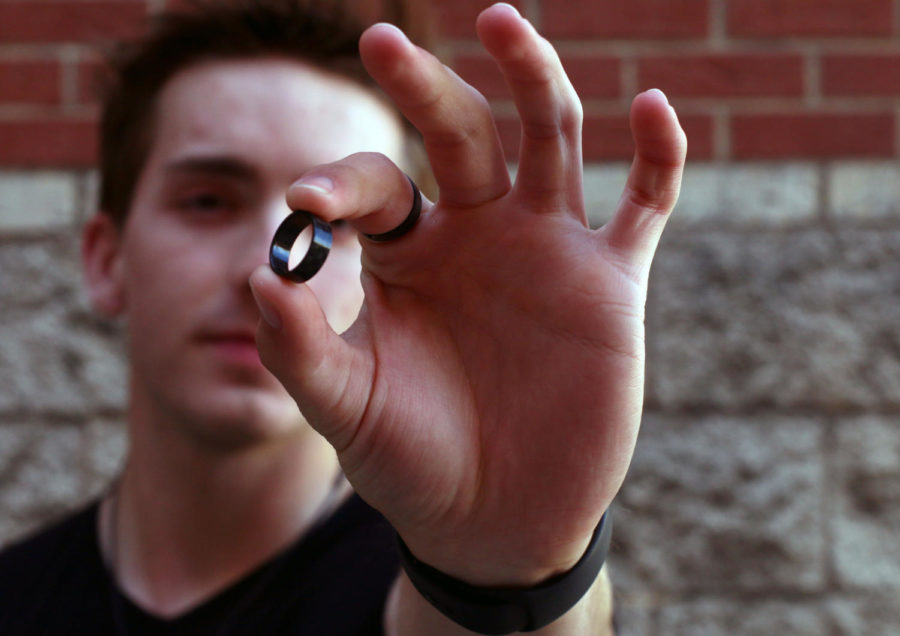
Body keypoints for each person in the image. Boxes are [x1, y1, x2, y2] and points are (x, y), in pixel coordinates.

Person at [0, 0, 687, 633]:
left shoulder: (430, 581)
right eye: (207, 201)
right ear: (105, 259)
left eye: (339, 221)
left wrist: (503, 578)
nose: (260, 271)